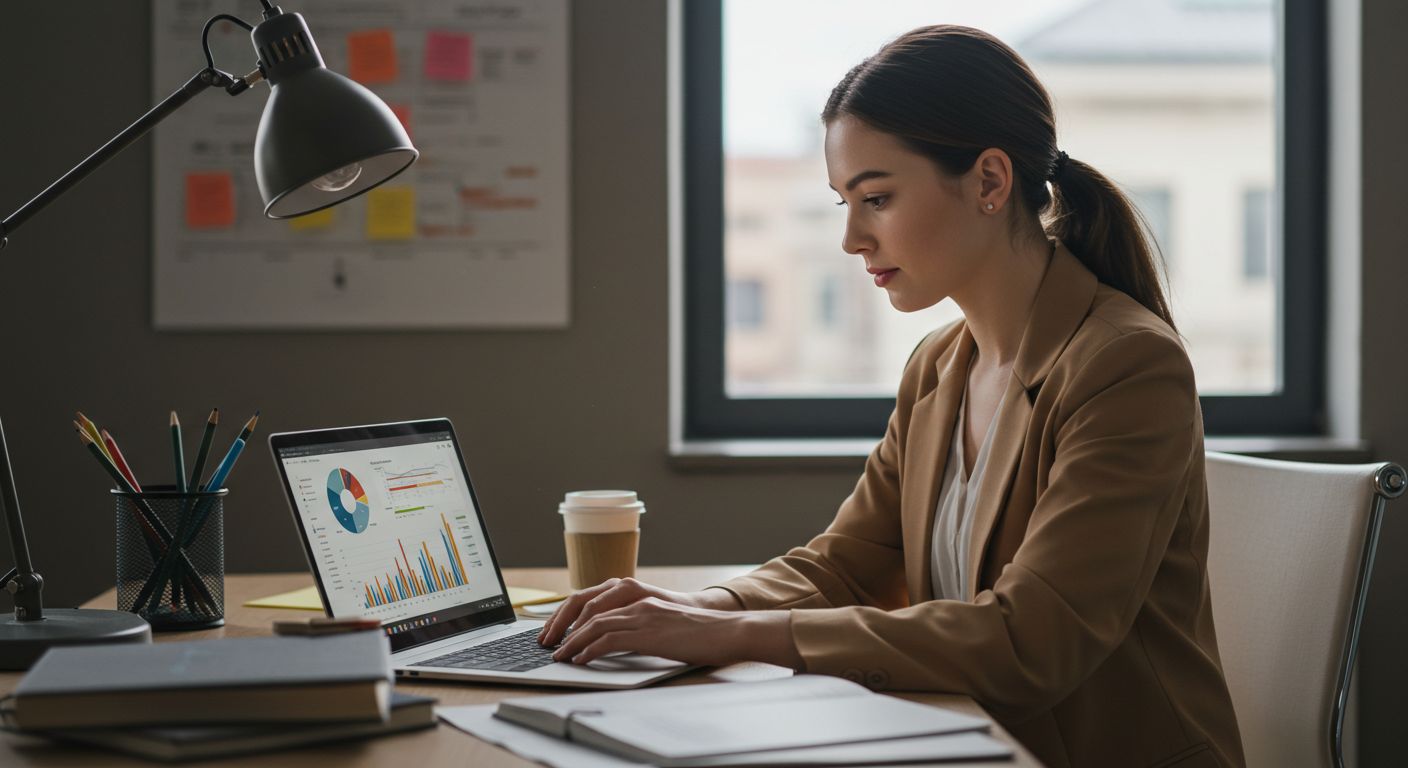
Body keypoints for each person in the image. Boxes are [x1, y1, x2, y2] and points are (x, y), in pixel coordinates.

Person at [539, 25, 1243, 768]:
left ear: (991, 182)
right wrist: (703, 606)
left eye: (876, 197)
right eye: (844, 199)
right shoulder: (940, 364)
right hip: (972, 743)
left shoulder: (1127, 366)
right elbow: (846, 565)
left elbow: (1032, 641)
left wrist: (733, 636)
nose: (850, 237)